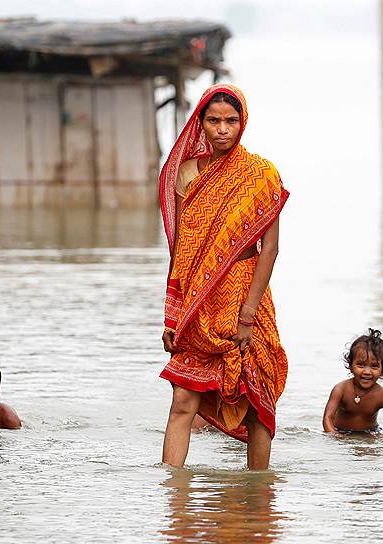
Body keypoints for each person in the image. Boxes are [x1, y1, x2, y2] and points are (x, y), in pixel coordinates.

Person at [158, 84, 289, 470]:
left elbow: (270, 249)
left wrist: (247, 314)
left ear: (242, 123)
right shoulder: (186, 174)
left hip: (246, 295)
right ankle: (171, 494)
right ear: (200, 123)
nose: (222, 129)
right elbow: (182, 250)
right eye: (213, 120)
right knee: (183, 399)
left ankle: (257, 494)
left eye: (231, 121)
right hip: (198, 301)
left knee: (255, 399)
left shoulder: (261, 174)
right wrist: (172, 315)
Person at [322, 329, 383, 436]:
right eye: (360, 365)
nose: (367, 372)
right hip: (340, 431)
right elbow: (328, 418)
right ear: (350, 366)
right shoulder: (341, 389)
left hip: (370, 433)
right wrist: (334, 435)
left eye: (374, 366)